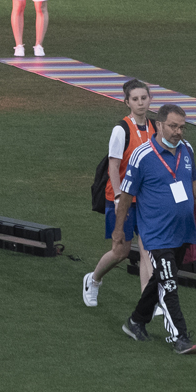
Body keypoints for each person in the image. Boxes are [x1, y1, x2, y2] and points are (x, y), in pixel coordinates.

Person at [114, 104, 196, 355]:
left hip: (183, 231)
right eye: (173, 126)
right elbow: (125, 198)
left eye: (182, 127)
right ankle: (180, 337)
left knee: (161, 279)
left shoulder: (187, 150)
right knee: (169, 284)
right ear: (158, 125)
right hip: (156, 234)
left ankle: (136, 322)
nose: (178, 131)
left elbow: (195, 186)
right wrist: (119, 231)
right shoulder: (142, 155)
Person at [83, 79, 155, 308]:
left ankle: (147, 301)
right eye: (135, 99)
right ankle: (93, 280)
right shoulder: (121, 129)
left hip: (145, 199)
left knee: (147, 249)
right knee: (121, 251)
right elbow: (113, 166)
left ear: (150, 99)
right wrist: (116, 197)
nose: (141, 103)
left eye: (144, 98)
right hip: (121, 198)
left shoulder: (155, 127)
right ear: (127, 102)